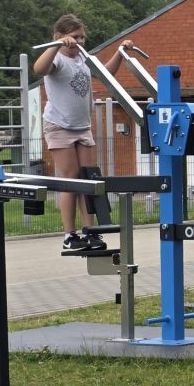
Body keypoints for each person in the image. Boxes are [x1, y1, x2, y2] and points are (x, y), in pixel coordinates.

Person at [32, 14, 137, 252]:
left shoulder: (82, 57)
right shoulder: (58, 58)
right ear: (60, 36)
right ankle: (70, 234)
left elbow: (105, 73)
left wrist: (120, 51)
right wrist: (57, 45)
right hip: (59, 125)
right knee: (70, 179)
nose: (79, 41)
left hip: (82, 127)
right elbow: (39, 69)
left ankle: (91, 232)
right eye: (74, 37)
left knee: (88, 179)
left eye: (82, 37)